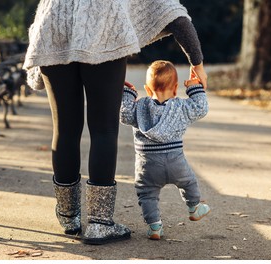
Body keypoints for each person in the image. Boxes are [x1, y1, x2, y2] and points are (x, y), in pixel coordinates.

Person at [23, 0, 207, 245]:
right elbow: (173, 14)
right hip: (105, 33)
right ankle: (99, 224)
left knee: (65, 129)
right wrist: (198, 64)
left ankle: (68, 217)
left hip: (52, 30)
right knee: (104, 129)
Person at [120, 60, 210, 240]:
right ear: (176, 89)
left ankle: (154, 226)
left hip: (148, 166)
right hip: (176, 162)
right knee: (189, 182)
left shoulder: (139, 108)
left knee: (146, 194)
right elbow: (201, 108)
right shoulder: (181, 108)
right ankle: (194, 207)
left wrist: (127, 93)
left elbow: (124, 113)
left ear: (147, 89)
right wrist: (194, 88)